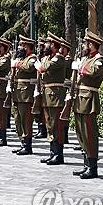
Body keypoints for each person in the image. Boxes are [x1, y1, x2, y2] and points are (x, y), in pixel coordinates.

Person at [72, 29, 103, 179]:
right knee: (81, 133)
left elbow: (94, 71)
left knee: (89, 134)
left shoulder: (99, 59)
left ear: (92, 44)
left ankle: (93, 167)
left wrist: (80, 68)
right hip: (80, 98)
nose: (84, 46)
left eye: (86, 43)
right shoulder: (85, 58)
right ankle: (86, 164)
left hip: (89, 99)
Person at [36, 32, 68, 165]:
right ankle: (52, 152)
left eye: (48, 43)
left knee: (56, 126)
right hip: (47, 94)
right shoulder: (47, 57)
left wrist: (40, 66)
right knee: (49, 124)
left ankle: (58, 154)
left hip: (56, 95)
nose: (46, 46)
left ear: (54, 45)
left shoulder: (59, 58)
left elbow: (44, 68)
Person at [11, 35, 37, 155]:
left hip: (26, 94)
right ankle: (22, 142)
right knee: (18, 119)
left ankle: (27, 145)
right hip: (17, 93)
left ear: (28, 47)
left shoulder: (32, 58)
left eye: (23, 46)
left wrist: (17, 65)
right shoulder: (21, 58)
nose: (20, 47)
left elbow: (29, 68)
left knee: (26, 120)